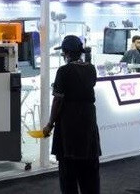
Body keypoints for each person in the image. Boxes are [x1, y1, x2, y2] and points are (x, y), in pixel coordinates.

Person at [43, 35, 101, 194]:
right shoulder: (91, 69)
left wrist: (49, 124)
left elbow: (58, 100)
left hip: (69, 124)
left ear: (66, 53)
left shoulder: (63, 71)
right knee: (90, 174)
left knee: (68, 174)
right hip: (88, 122)